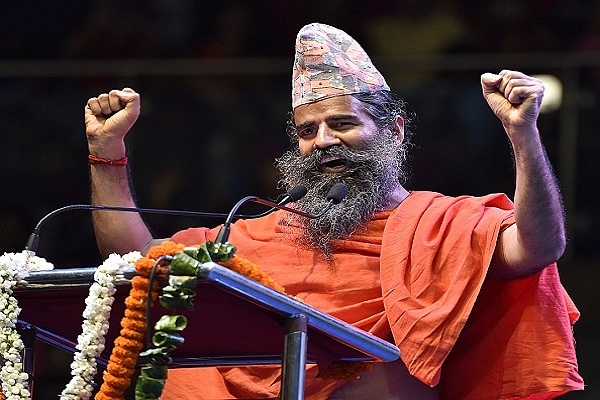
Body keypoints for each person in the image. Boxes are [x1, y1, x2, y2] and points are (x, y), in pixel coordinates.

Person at [84, 23, 583, 399]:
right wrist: (107, 154)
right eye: (307, 131)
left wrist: (524, 136)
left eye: (342, 123)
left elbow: (537, 247)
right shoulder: (254, 236)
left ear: (394, 132)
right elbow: (136, 263)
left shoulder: (443, 225)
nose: (323, 141)